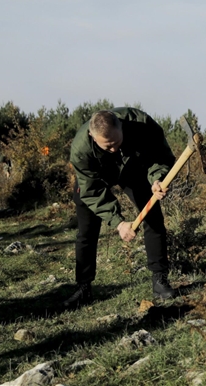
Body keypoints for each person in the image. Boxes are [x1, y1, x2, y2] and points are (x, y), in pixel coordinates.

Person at [63, 108, 178, 308]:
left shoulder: (142, 125)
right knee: (87, 230)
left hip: (132, 168)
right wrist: (119, 223)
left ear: (121, 128)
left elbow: (159, 156)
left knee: (153, 218)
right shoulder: (81, 149)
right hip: (95, 177)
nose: (114, 149)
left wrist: (157, 179)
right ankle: (83, 287)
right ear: (93, 137)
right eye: (107, 146)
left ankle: (160, 280)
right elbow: (92, 191)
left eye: (116, 143)